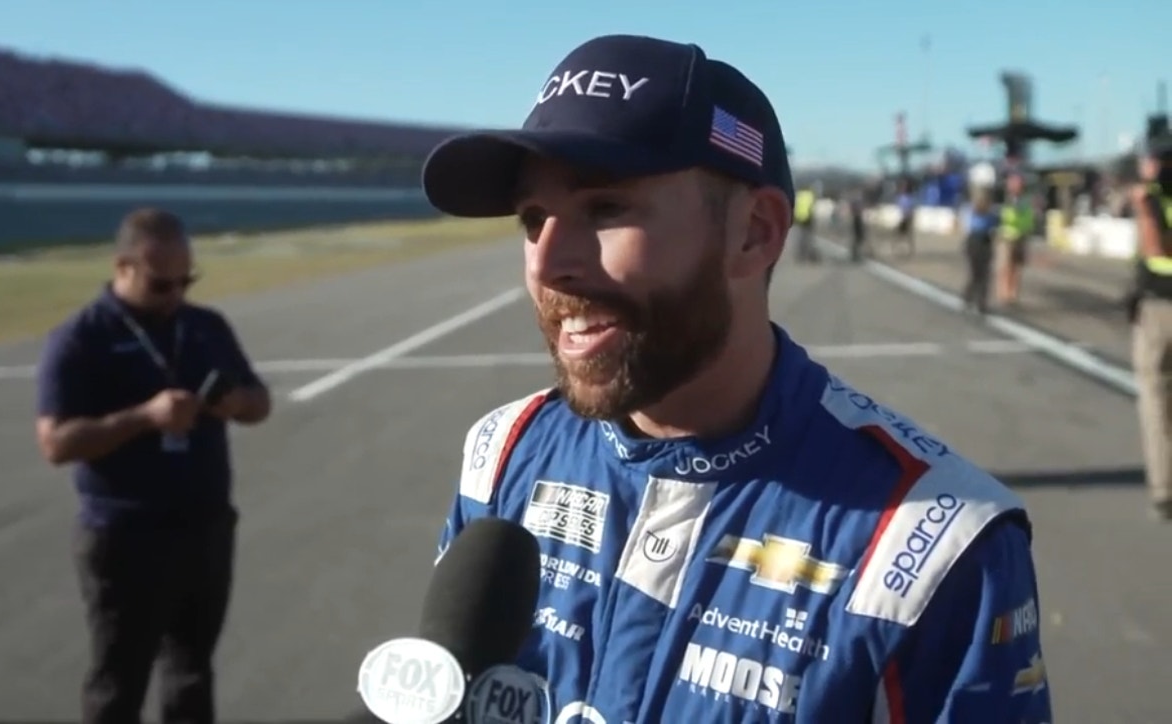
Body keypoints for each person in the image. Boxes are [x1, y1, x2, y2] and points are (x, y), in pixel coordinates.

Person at [424, 34, 1052, 723]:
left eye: (604, 209)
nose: (547, 264)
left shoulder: (941, 544)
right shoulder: (502, 452)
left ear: (754, 232)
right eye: (532, 219)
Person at [33, 207, 272, 724]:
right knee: (119, 678)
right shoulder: (81, 339)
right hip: (125, 535)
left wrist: (234, 404)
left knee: (192, 671)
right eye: (163, 284)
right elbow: (56, 443)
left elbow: (260, 402)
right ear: (124, 268)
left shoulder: (205, 326)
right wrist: (146, 416)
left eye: (186, 280)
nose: (177, 294)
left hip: (204, 526)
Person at [1129, 145, 1172, 521]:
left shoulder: (1153, 199)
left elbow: (1156, 247)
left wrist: (1144, 207)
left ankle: (1164, 490)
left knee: (1156, 400)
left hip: (1161, 306)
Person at [996, 173, 1035, 305]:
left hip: (1021, 236)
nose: (1015, 186)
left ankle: (1013, 292)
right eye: (1012, 184)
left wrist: (1027, 230)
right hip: (1007, 237)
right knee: (1006, 266)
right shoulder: (1006, 200)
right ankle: (1004, 291)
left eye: (1017, 184)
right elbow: (1004, 217)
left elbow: (1029, 218)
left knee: (1017, 266)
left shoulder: (1025, 201)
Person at [962, 189, 999, 315]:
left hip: (985, 243)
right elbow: (973, 227)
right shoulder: (972, 213)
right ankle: (969, 296)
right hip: (975, 242)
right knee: (976, 274)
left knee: (984, 275)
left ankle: (981, 303)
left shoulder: (991, 215)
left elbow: (994, 228)